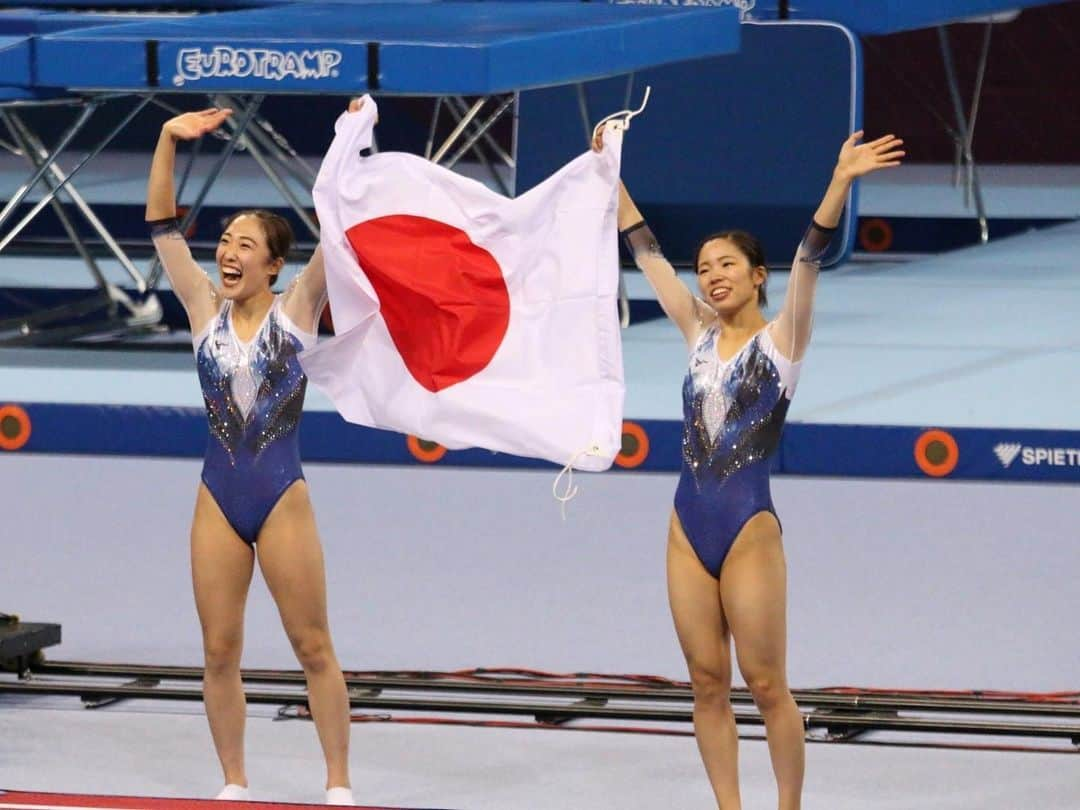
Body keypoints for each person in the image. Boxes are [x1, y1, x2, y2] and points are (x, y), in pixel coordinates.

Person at [610, 130, 904, 809]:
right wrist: (610, 174)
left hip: (748, 528)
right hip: (686, 527)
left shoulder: (784, 342)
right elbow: (645, 248)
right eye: (704, 266)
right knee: (706, 682)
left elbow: (810, 253)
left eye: (726, 265)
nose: (711, 275)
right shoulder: (696, 329)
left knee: (766, 684)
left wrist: (839, 181)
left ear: (757, 275)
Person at [146, 102, 364, 805]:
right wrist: (166, 140)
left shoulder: (297, 310)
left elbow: (338, 226)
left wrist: (349, 137)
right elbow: (159, 228)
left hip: (280, 498)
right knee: (218, 652)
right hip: (217, 496)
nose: (229, 252)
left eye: (246, 245)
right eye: (226, 240)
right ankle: (234, 781)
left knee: (312, 647)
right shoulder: (201, 309)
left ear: (274, 264)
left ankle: (337, 783)